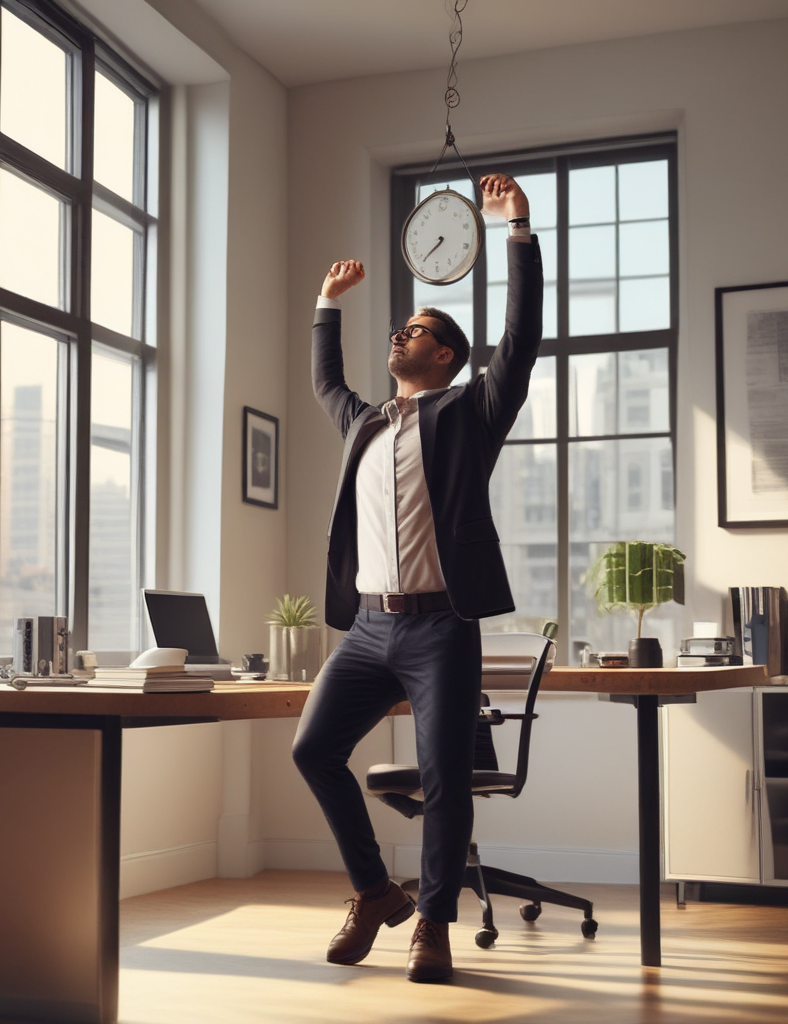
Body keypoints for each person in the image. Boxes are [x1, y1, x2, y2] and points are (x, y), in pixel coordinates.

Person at [292, 173, 543, 982]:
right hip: (368, 628)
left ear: (446, 354)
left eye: (417, 328)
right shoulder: (363, 422)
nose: (401, 334)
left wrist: (517, 230)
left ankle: (431, 921)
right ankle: (373, 891)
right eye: (399, 327)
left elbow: (524, 336)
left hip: (442, 626)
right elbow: (326, 381)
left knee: (444, 775)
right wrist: (327, 305)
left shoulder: (471, 412)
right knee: (313, 749)